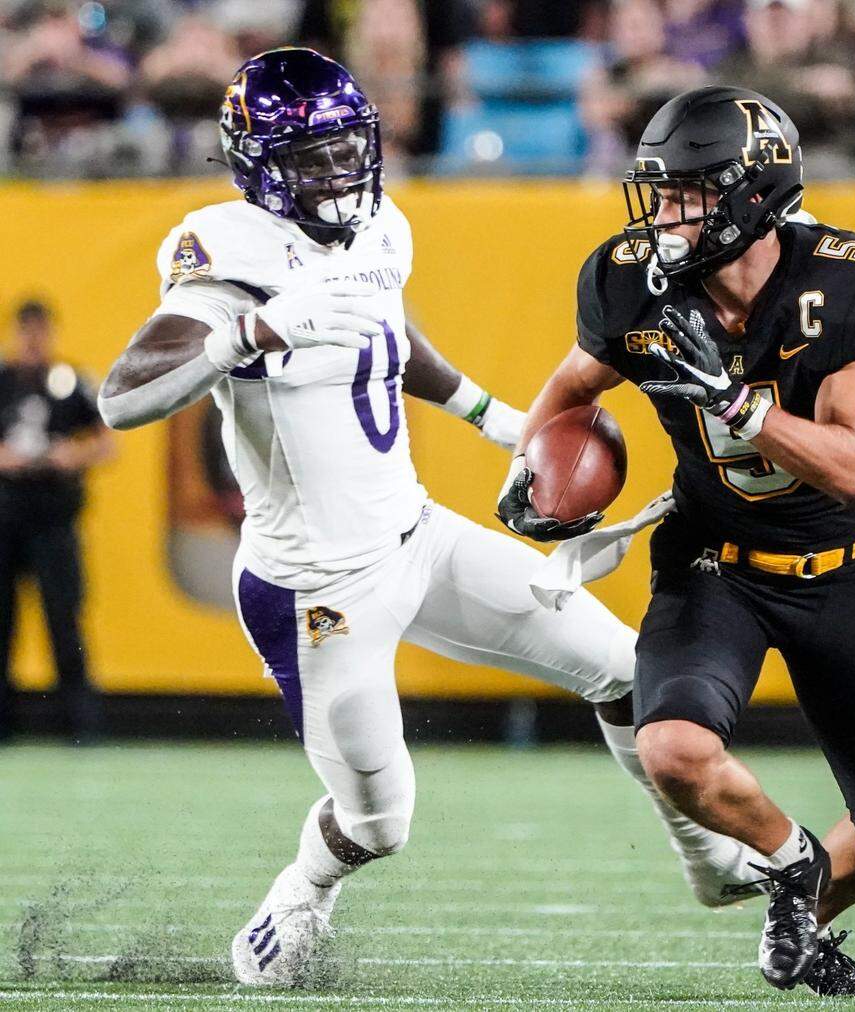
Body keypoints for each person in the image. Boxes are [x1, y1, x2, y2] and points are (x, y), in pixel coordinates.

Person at [97, 50, 780, 987]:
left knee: (627, 670)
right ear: (255, 164)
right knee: (382, 822)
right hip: (315, 589)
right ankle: (304, 887)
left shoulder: (380, 224)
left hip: (415, 534)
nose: (339, 177)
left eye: (348, 152)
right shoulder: (227, 254)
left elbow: (385, 331)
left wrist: (504, 421)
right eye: (312, 159)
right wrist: (248, 332)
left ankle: (707, 863)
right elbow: (122, 398)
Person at [498, 85, 855, 998]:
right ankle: (787, 866)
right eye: (659, 195)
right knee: (671, 750)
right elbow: (573, 385)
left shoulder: (850, 279)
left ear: (752, 194)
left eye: (689, 196)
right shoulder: (630, 280)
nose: (665, 218)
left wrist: (737, 403)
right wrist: (531, 468)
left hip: (839, 570)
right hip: (713, 565)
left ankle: (801, 917)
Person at [0, 299, 115, 743]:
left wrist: (74, 454)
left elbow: (108, 441)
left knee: (65, 620)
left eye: (39, 331)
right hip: (6, 516)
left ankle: (82, 723)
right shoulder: (3, 381)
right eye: (25, 331)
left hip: (53, 518)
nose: (32, 340)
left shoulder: (70, 381)